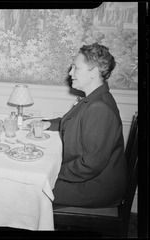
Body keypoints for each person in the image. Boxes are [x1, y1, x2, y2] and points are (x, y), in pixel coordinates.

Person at [41, 43, 127, 208]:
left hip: (97, 187)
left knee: (33, 187)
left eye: (76, 68)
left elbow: (89, 165)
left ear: (94, 72)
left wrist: (53, 170)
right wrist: (47, 123)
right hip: (91, 179)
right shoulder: (94, 98)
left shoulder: (99, 108)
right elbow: (74, 120)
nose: (70, 72)